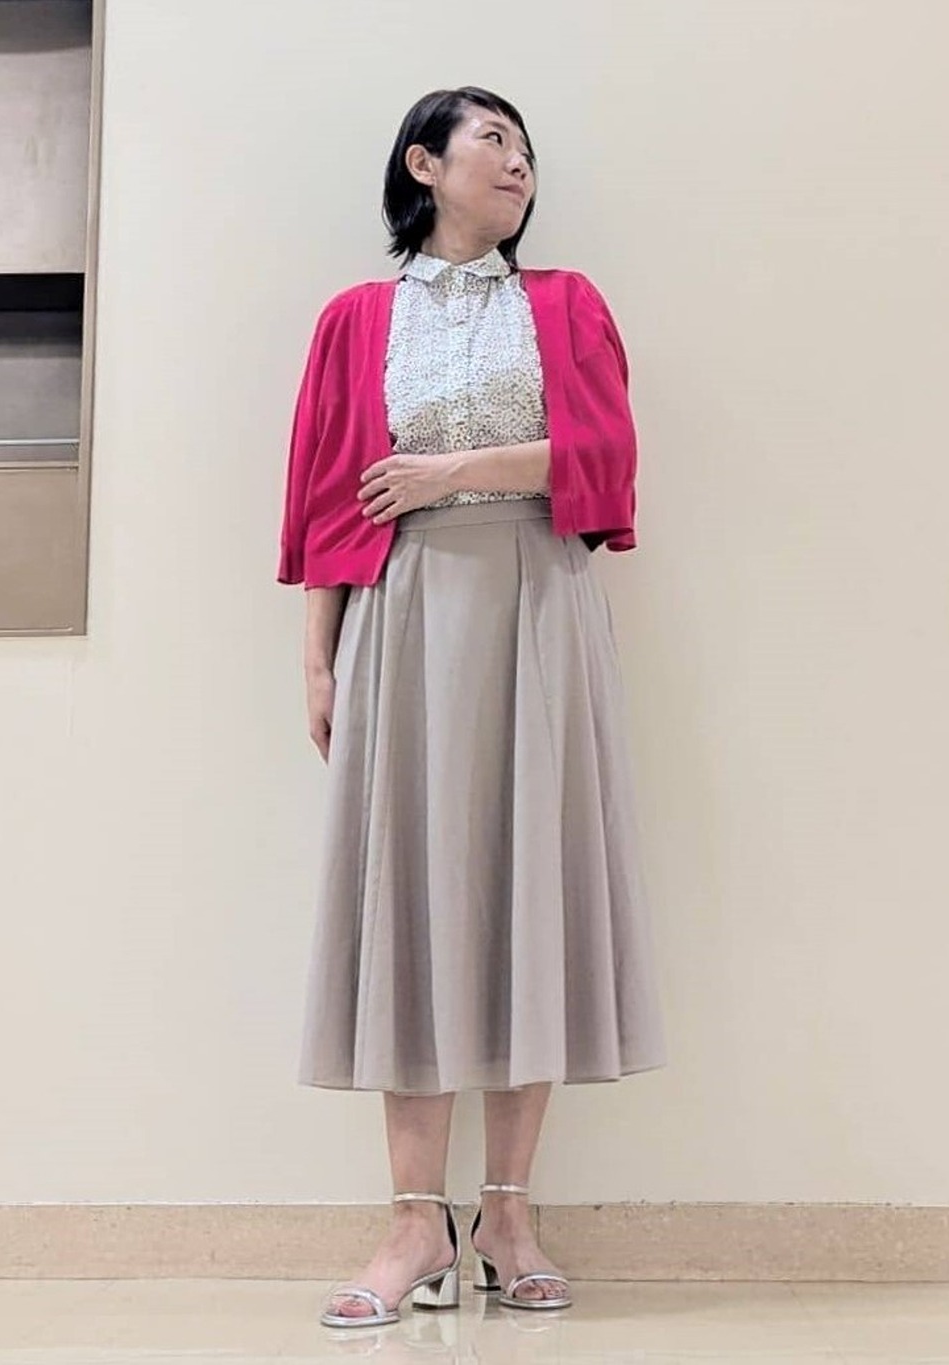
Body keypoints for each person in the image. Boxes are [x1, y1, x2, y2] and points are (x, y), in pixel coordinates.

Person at [277, 85, 667, 1329]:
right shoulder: (355, 319)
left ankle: (505, 1212)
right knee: (414, 895)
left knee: (524, 889)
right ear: (423, 164)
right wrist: (318, 660)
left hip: (539, 606)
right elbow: (328, 493)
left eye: (526, 150)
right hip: (402, 614)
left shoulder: (566, 303)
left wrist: (454, 468)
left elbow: (605, 458)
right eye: (492, 140)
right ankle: (413, 1224)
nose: (517, 163)